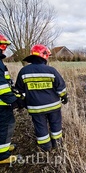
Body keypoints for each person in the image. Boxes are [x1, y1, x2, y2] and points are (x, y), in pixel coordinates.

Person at [15, 44, 68, 152]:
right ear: (44, 56)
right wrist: (64, 97)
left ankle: (45, 147)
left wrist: (22, 102)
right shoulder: (51, 71)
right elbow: (61, 87)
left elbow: (19, 91)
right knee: (55, 124)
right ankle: (57, 144)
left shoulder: (23, 71)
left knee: (40, 127)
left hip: (35, 108)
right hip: (53, 106)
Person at [0, 34, 23, 164]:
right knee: (5, 126)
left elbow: (6, 82)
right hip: (2, 104)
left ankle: (3, 146)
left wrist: (14, 93)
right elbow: (2, 86)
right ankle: (3, 156)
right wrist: (13, 100)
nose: (4, 49)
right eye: (3, 46)